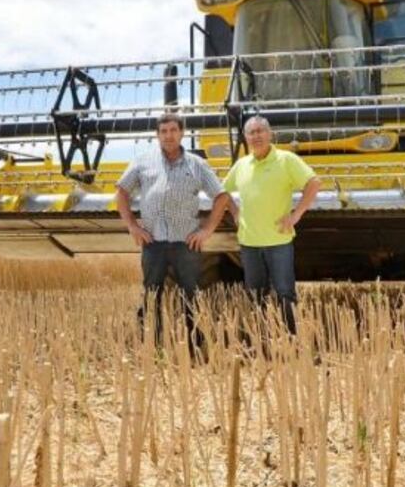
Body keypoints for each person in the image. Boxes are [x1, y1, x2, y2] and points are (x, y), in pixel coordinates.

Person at [115, 112, 231, 360]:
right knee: (151, 294)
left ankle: (196, 350)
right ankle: (151, 349)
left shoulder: (196, 164)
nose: (168, 135)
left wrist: (207, 229)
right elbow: (121, 191)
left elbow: (221, 196)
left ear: (182, 133)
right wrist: (133, 227)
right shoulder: (143, 161)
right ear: (157, 135)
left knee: (192, 295)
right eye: (163, 131)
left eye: (173, 130)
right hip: (153, 243)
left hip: (185, 244)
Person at [223, 116, 321, 335]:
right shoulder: (241, 165)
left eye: (260, 131)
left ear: (270, 134)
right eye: (251, 133)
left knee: (285, 292)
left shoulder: (286, 160)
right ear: (245, 138)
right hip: (249, 243)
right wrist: (235, 211)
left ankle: (290, 339)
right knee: (255, 294)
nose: (256, 136)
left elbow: (314, 183)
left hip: (279, 240)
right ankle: (260, 339)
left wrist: (296, 215)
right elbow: (222, 192)